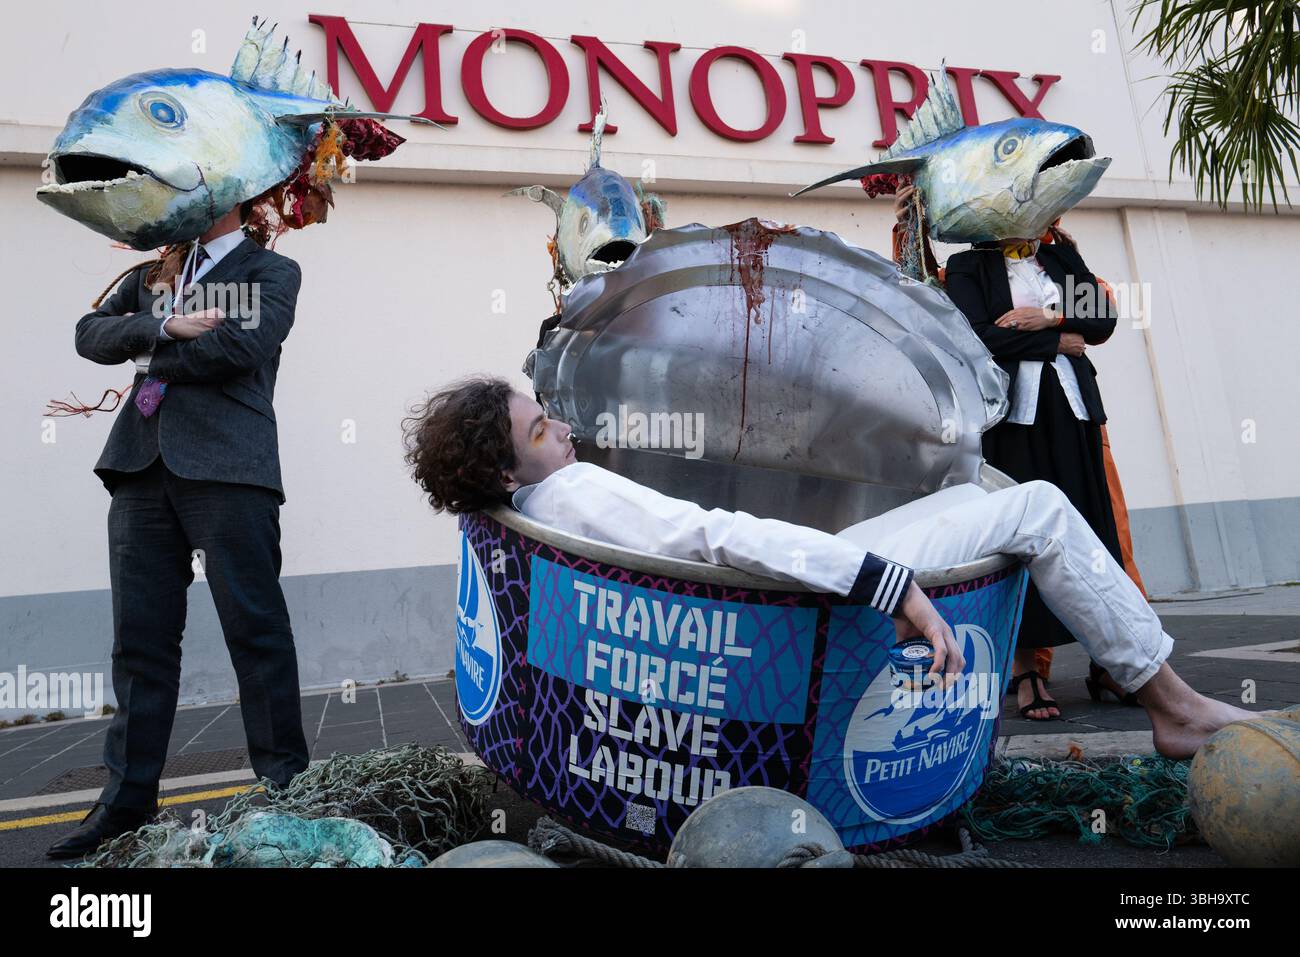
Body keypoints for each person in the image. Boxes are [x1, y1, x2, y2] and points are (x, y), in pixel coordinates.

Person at [403, 377, 1275, 760]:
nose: (560, 426)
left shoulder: (529, 509)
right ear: (509, 466)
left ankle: (1164, 697)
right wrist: (890, 587)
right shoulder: (577, 492)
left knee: (980, 493)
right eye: (539, 427)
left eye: (548, 413)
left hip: (792, 583)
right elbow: (719, 537)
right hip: (798, 587)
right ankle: (1173, 706)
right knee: (1039, 504)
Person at [45, 203, 309, 858]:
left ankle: (286, 789)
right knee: (138, 643)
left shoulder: (272, 271)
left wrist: (151, 354)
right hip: (138, 468)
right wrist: (167, 323)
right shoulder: (153, 276)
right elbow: (88, 334)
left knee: (255, 630)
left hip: (230, 470)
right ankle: (126, 800)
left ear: (233, 196)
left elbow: (242, 346)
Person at [890, 184, 1132, 720]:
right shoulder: (970, 266)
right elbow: (975, 339)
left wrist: (1045, 321)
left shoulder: (1061, 255)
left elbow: (1102, 323)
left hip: (1073, 412)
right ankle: (1026, 671)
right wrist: (1060, 340)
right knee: (1023, 537)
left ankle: (1110, 661)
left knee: (1092, 532)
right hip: (1014, 420)